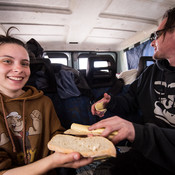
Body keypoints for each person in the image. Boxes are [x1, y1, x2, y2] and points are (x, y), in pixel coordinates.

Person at [89, 7, 175, 175]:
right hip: (148, 153)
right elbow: (130, 100)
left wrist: (136, 131)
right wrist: (110, 102)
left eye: (157, 35)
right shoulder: (150, 73)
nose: (152, 42)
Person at [0, 28, 93, 175]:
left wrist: (78, 141)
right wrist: (53, 161)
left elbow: (56, 135)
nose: (19, 69)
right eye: (7, 61)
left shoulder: (43, 101)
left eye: (25, 63)